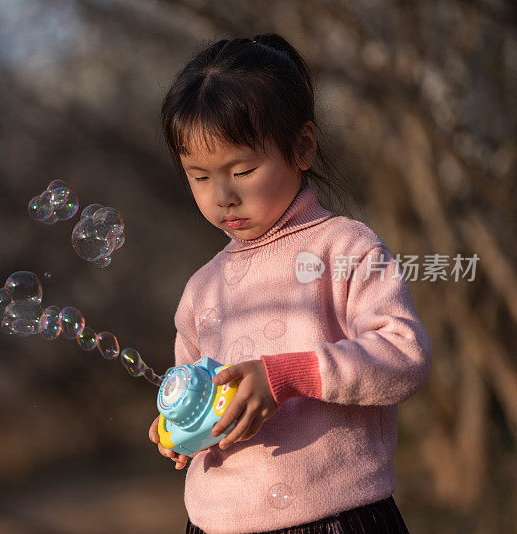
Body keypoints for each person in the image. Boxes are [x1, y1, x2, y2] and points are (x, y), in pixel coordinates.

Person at [148, 33, 432, 534]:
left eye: (243, 169)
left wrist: (286, 375)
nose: (223, 196)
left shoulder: (344, 249)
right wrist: (179, 428)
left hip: (333, 516)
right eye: (199, 176)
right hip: (213, 523)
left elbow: (404, 357)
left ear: (302, 147)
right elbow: (195, 388)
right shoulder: (201, 289)